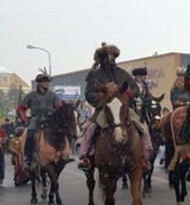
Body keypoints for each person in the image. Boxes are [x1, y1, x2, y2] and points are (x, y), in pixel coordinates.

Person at [77, 43, 152, 171]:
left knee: (142, 126)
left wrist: (128, 94)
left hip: (124, 109)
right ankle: (86, 157)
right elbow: (89, 93)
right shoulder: (97, 75)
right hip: (104, 110)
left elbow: (135, 89)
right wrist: (102, 96)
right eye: (108, 56)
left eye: (113, 56)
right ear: (103, 58)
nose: (111, 59)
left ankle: (144, 156)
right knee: (90, 129)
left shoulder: (123, 74)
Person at [16, 73, 62, 171]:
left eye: (48, 82)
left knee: (61, 132)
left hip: (50, 120)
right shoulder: (30, 95)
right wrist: (24, 120)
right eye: (45, 82)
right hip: (35, 120)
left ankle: (63, 154)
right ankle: (28, 159)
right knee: (30, 135)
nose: (47, 84)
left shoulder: (53, 95)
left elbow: (59, 108)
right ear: (39, 83)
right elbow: (20, 108)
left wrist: (56, 115)